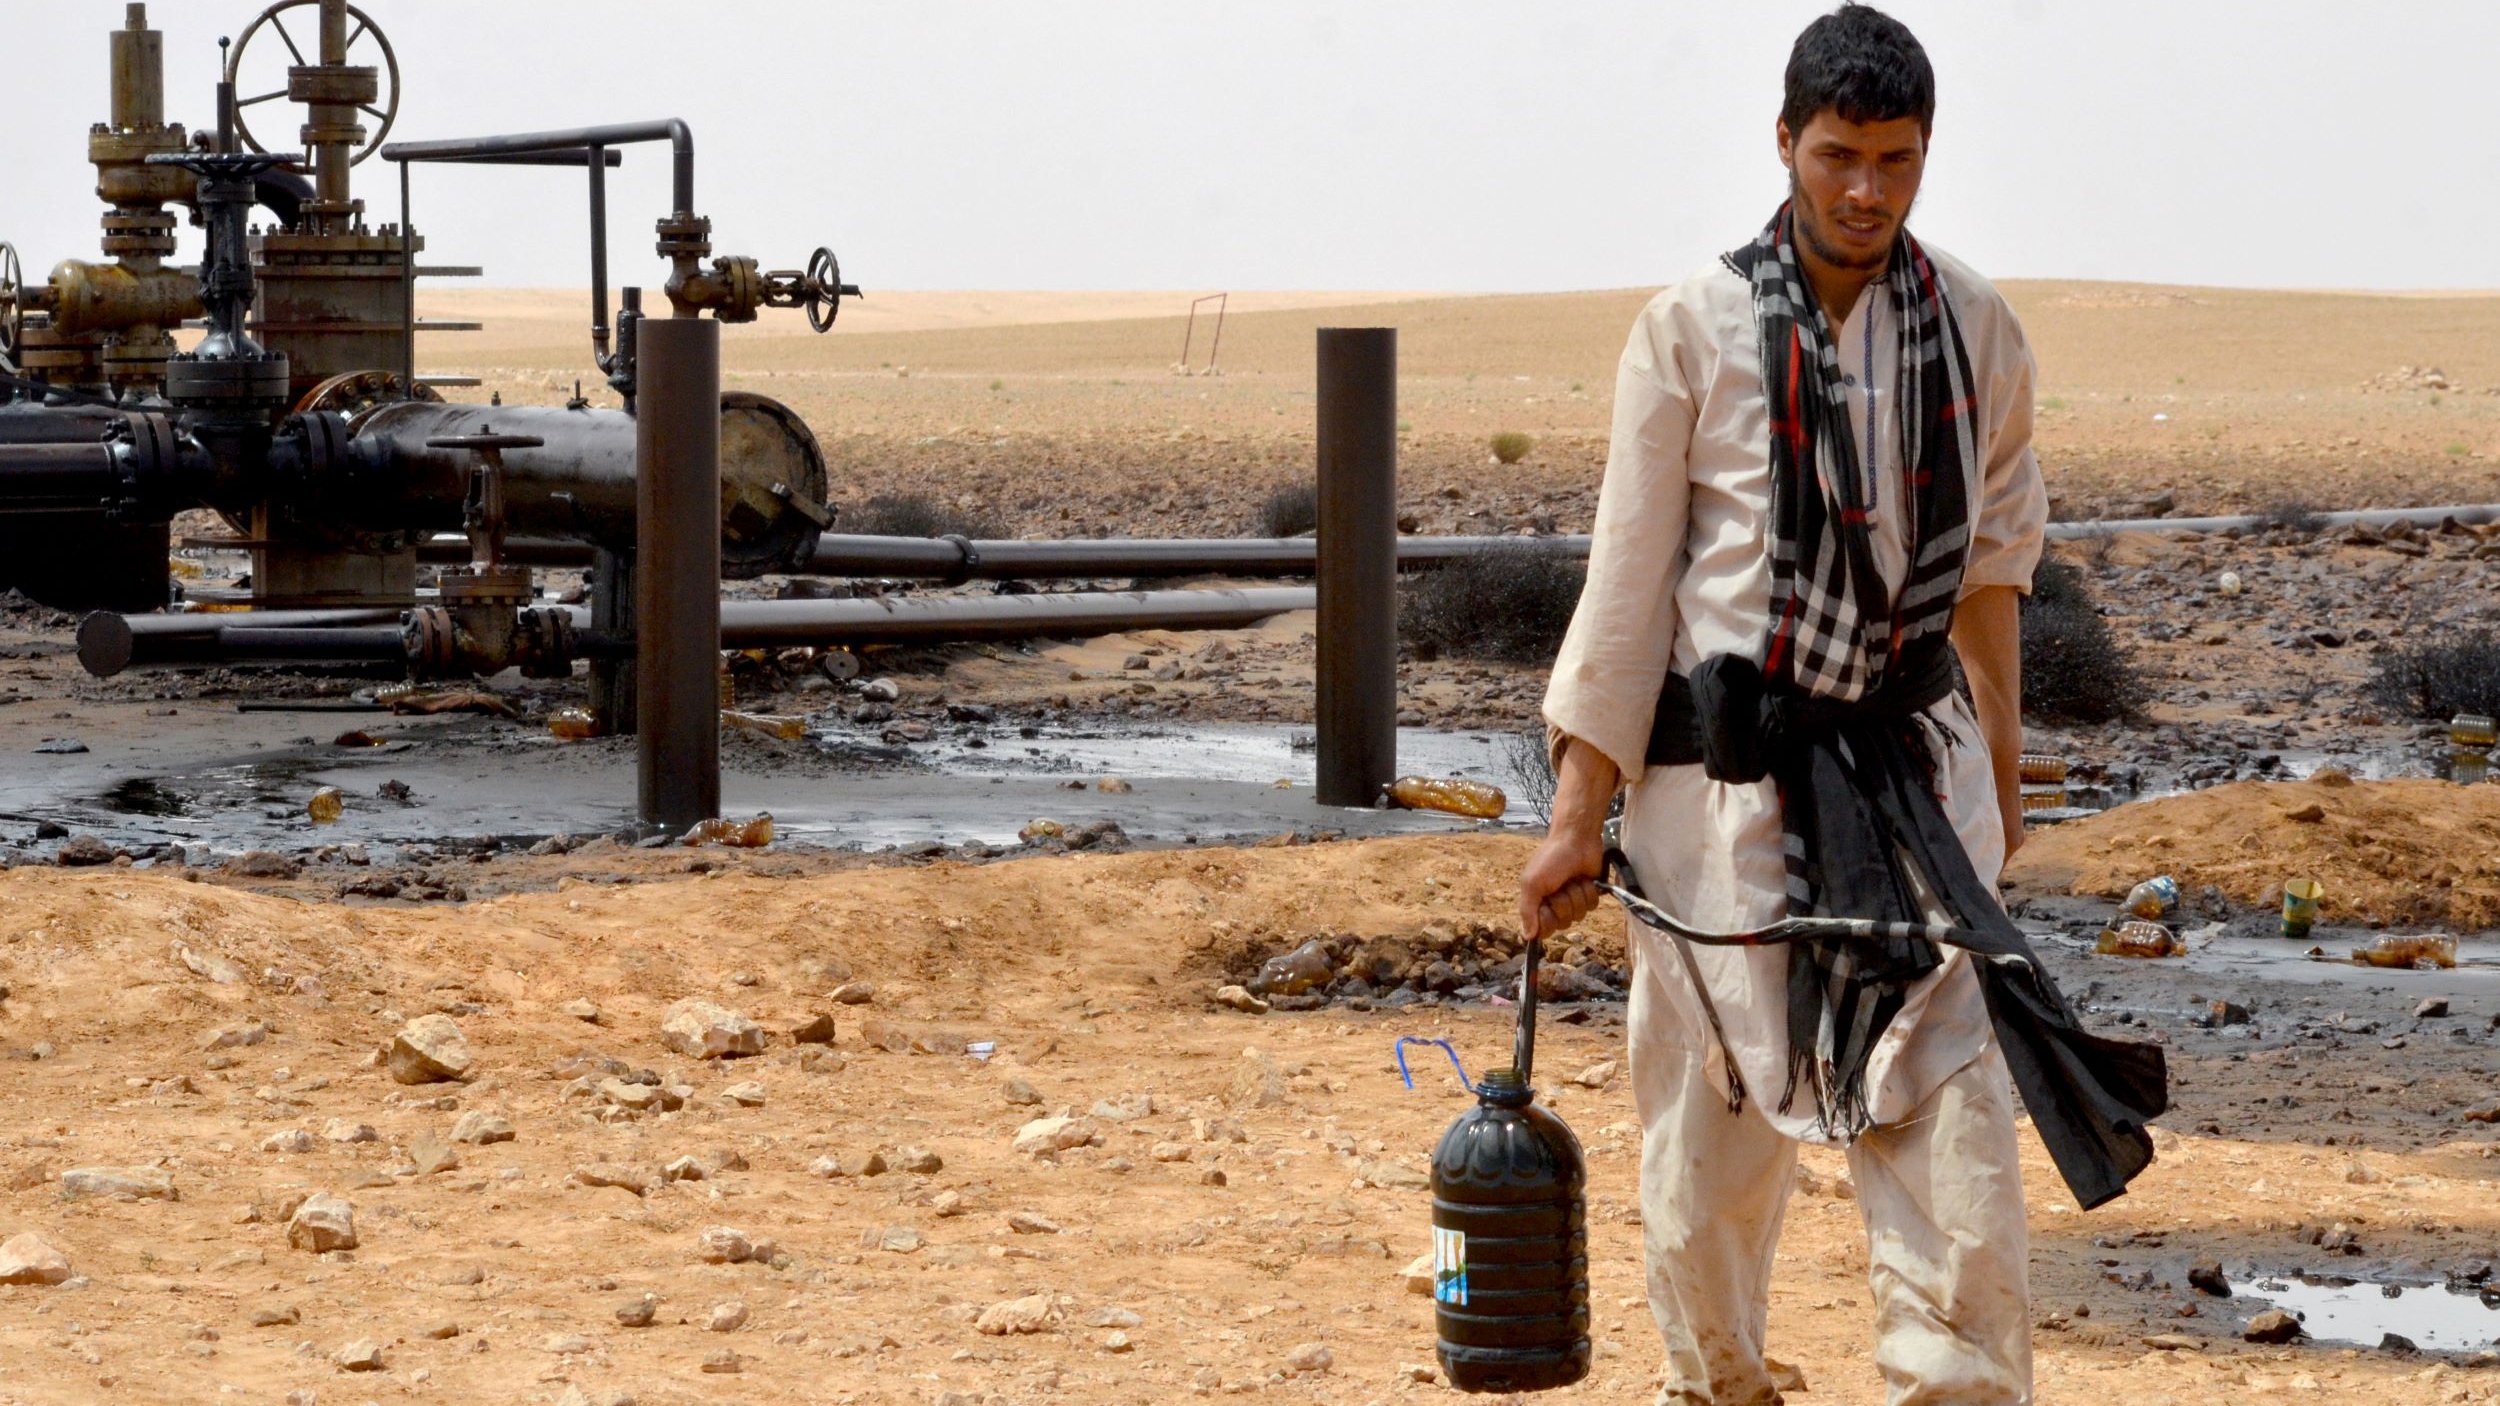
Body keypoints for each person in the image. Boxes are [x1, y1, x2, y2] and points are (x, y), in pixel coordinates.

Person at [1515, 7, 2165, 1402]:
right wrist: (1577, 817)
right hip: (1721, 809)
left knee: (1951, 1116)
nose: (1866, 191)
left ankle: (1955, 1382)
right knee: (1709, 1136)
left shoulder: (1976, 324)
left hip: (1917, 790)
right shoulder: (1689, 330)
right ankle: (1719, 1380)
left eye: (1897, 159)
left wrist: (1997, 762)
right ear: (1784, 146)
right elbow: (1626, 590)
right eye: (1838, 156)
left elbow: (1994, 563)